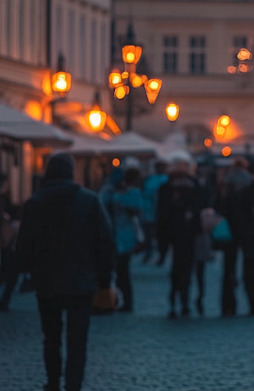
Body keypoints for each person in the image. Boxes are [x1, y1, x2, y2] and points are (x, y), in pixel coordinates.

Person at [16, 152, 113, 391]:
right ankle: (73, 385)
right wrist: (104, 279)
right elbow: (105, 241)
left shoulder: (35, 201)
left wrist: (29, 270)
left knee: (51, 337)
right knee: (77, 339)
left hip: (47, 280)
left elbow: (24, 244)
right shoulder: (89, 201)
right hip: (82, 279)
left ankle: (52, 381)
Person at [215, 157, 254, 316]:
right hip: (249, 230)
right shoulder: (251, 184)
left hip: (229, 230)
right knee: (250, 271)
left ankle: (227, 306)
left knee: (228, 269)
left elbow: (217, 206)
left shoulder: (225, 183)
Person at [157, 152, 204, 317]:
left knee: (176, 268)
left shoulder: (167, 187)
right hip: (188, 233)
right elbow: (200, 208)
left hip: (174, 233)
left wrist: (161, 237)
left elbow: (161, 213)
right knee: (187, 269)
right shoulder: (193, 185)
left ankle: (176, 300)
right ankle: (184, 300)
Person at [109, 164, 144, 312]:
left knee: (122, 271)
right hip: (117, 237)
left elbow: (137, 210)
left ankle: (125, 302)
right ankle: (117, 300)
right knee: (119, 271)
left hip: (123, 238)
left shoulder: (117, 195)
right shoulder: (111, 194)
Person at [0, 171, 21, 311]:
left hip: (6, 240)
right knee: (10, 271)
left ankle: (5, 300)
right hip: (5, 241)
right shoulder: (3, 198)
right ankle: (4, 301)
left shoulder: (4, 198)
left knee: (10, 271)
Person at [141, 159, 168, 263]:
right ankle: (149, 253)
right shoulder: (151, 179)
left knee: (160, 235)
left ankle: (161, 255)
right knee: (148, 235)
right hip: (149, 212)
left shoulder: (166, 179)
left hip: (160, 213)